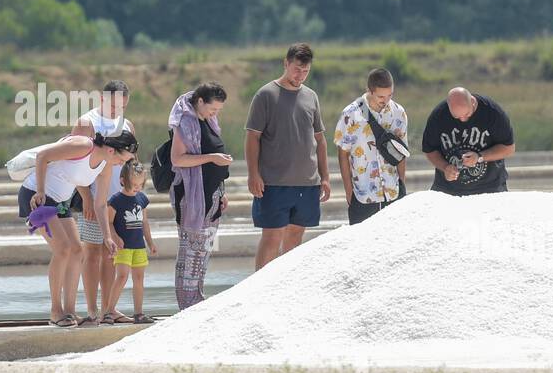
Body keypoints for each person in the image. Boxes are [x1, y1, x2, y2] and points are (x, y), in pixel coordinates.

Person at [17, 130, 138, 327]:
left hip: (59, 200)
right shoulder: (84, 146)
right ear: (111, 150)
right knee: (63, 249)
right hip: (36, 195)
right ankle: (56, 312)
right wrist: (39, 190)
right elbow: (43, 156)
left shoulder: (104, 166)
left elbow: (99, 204)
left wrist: (107, 236)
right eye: (123, 159)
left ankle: (70, 312)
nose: (121, 165)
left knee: (77, 250)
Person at [245, 42, 331, 270]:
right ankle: (260, 289)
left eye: (305, 71)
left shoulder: (311, 97)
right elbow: (252, 137)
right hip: (273, 182)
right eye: (297, 69)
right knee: (272, 237)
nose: (300, 75)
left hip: (307, 183)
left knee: (295, 237)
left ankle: (286, 292)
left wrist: (325, 177)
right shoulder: (265, 95)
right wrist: (253, 174)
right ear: (286, 63)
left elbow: (320, 140)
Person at [72, 80, 135, 326]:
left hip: (118, 198)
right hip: (93, 195)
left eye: (123, 106)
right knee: (92, 252)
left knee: (113, 254)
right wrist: (86, 196)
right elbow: (74, 162)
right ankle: (91, 309)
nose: (117, 110)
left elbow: (131, 161)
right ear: (101, 99)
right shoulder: (86, 123)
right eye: (113, 105)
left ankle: (110, 308)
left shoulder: (127, 124)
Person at [168, 82, 233, 309]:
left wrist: (220, 190)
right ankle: (186, 302)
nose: (215, 113)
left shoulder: (208, 121)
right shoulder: (186, 121)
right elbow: (178, 159)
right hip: (191, 195)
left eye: (218, 110)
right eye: (212, 108)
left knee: (203, 251)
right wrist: (212, 158)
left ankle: (197, 297)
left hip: (210, 194)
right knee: (190, 251)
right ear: (200, 102)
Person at [335, 67, 408, 225]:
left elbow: (402, 153)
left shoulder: (398, 112)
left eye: (390, 95)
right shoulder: (351, 114)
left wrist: (402, 185)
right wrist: (349, 192)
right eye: (381, 96)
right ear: (369, 90)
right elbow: (342, 154)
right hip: (362, 194)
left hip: (393, 193)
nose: (386, 100)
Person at [421, 87, 516, 196]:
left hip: (490, 188)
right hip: (448, 190)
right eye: (457, 117)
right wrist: (445, 167)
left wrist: (479, 157)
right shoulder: (438, 116)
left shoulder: (492, 112)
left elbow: (509, 148)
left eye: (467, 114)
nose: (463, 120)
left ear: (473, 102)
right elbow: (430, 150)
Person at [103, 160, 157, 325]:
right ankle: (109, 311)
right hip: (123, 247)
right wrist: (114, 237)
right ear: (122, 180)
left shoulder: (142, 199)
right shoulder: (116, 200)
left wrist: (150, 242)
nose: (137, 187)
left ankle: (138, 313)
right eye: (134, 184)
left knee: (139, 279)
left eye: (140, 184)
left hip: (139, 246)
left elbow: (145, 223)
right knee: (122, 276)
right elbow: (109, 222)